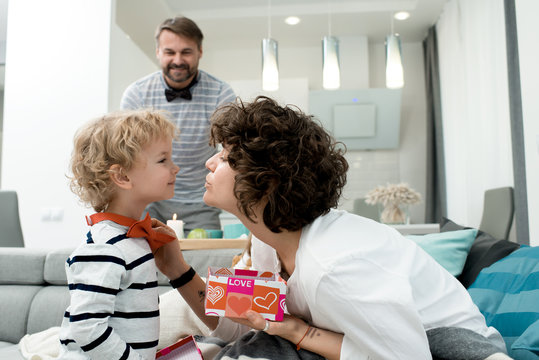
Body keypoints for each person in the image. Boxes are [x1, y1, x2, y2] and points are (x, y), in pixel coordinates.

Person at [153, 97, 508, 360]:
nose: (208, 162)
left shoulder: (334, 266)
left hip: (446, 343)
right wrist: (178, 270)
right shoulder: (266, 243)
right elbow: (239, 324)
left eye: (226, 156)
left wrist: (299, 331)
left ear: (267, 181)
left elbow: (408, 356)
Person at [58, 109, 179, 359]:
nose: (175, 168)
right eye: (163, 160)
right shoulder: (105, 247)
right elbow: (86, 328)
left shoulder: (131, 238)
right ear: (122, 176)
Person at [120, 16, 236, 233]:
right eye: (169, 52)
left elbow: (232, 150)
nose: (178, 60)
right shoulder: (136, 93)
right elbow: (128, 156)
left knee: (208, 261)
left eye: (186, 52)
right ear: (158, 52)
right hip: (148, 200)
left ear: (200, 51)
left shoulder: (221, 92)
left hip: (202, 201)